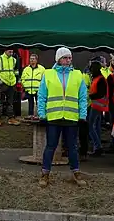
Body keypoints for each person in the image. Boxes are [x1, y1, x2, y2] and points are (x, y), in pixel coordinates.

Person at [37, 47, 89, 187]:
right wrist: (42, 114)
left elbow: (83, 97)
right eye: (65, 57)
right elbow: (41, 95)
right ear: (58, 59)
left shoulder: (78, 75)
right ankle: (45, 174)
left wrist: (82, 115)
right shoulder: (48, 74)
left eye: (70, 58)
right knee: (50, 146)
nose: (68, 60)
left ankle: (76, 172)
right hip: (53, 117)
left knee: (72, 147)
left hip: (71, 117)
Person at [86, 58, 109, 157]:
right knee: (96, 126)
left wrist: (91, 96)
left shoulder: (99, 79)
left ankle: (97, 146)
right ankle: (97, 146)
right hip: (97, 105)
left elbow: (100, 93)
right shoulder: (98, 78)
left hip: (97, 104)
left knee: (90, 126)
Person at [0, 49, 20, 126]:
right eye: (9, 52)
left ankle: (11, 118)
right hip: (3, 83)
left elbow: (16, 71)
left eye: (12, 52)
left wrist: (16, 80)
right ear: (5, 51)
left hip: (12, 83)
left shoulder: (14, 60)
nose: (11, 53)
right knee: (0, 101)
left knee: (10, 102)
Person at [21, 54, 45, 120]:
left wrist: (41, 88)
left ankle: (39, 115)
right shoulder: (26, 69)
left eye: (33, 59)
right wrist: (25, 86)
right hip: (29, 89)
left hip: (38, 90)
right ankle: (30, 115)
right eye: (31, 59)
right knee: (30, 103)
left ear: (36, 60)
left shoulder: (42, 69)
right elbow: (22, 78)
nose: (31, 60)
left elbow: (44, 79)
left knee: (39, 103)